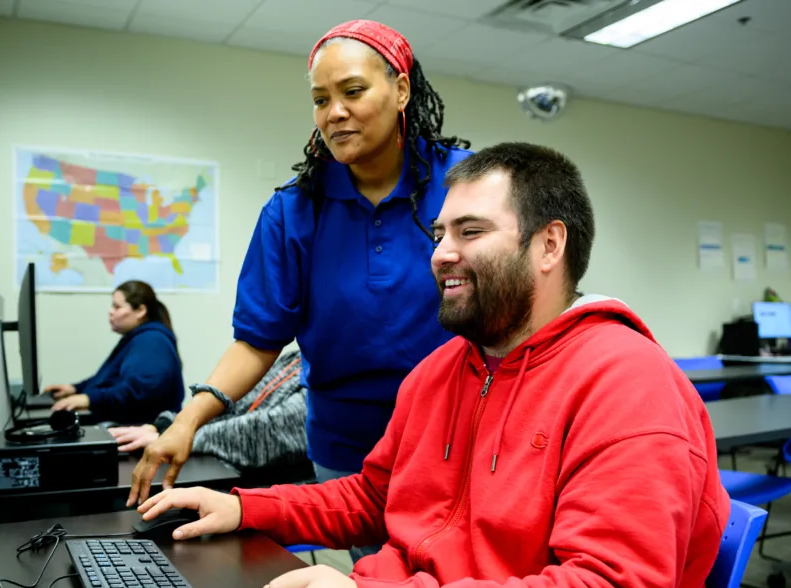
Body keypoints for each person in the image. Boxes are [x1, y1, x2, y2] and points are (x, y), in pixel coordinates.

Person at [135, 142, 729, 588]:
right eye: (440, 233)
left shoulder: (630, 385)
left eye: (469, 231)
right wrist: (244, 508)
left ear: (549, 245)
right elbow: (376, 497)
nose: (441, 253)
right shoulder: (444, 369)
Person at [128, 20, 474, 525]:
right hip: (345, 448)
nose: (335, 113)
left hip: (461, 437)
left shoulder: (469, 184)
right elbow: (257, 341)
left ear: (401, 90)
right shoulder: (294, 210)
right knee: (371, 581)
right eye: (320, 99)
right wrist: (188, 422)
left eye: (353, 91)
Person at [108, 349, 310, 483]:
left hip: (270, 486)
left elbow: (267, 433)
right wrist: (170, 427)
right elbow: (232, 404)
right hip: (231, 471)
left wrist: (185, 437)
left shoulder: (325, 373)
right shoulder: (293, 359)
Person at [43, 280, 183, 425]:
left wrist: (90, 399)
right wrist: (76, 389)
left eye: (117, 307)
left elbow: (138, 391)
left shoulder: (152, 341)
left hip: (137, 430)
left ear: (140, 311)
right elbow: (109, 378)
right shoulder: (137, 338)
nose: (110, 311)